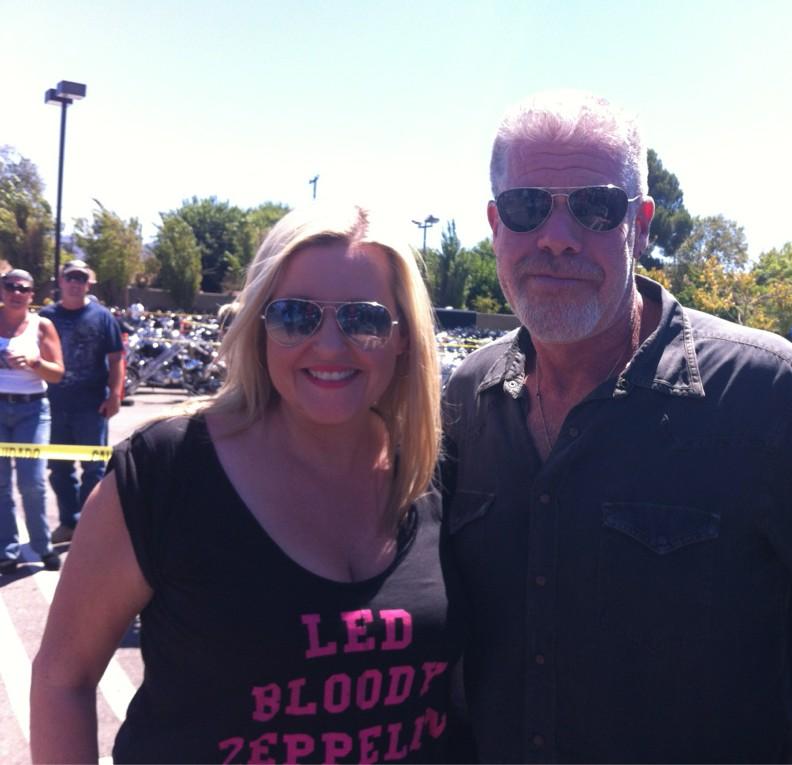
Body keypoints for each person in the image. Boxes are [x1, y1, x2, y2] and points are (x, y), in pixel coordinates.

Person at [440, 90, 792, 763]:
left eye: (595, 207)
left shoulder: (767, 395)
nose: (556, 236)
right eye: (528, 206)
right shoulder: (469, 397)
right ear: (495, 224)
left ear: (640, 225)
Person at [31, 205, 459, 763]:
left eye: (365, 318)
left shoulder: (438, 475)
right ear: (259, 326)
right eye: (295, 316)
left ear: (403, 337)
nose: (331, 346)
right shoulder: (168, 471)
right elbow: (62, 677)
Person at [39, 260, 125, 544]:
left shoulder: (102, 317)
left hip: (92, 406)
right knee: (59, 469)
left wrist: (115, 394)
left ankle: (89, 526)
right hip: (53, 405)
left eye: (81, 278)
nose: (75, 283)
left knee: (94, 469)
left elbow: (116, 359)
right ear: (61, 281)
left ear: (88, 284)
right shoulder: (45, 317)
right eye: (70, 278)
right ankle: (69, 522)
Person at [0, 270, 65, 574]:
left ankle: (42, 546)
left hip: (32, 409)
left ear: (31, 295)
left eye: (23, 288)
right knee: (0, 484)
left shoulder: (42, 325)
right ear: (2, 290)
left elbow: (58, 373)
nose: (16, 292)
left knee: (33, 482)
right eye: (10, 286)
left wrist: (34, 363)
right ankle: (7, 549)